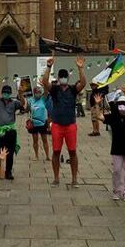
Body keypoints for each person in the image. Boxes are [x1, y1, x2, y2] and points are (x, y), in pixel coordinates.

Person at [42, 55, 87, 187]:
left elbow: (83, 83)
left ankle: (74, 179)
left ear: (67, 78)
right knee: (56, 152)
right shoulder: (55, 90)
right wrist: (49, 67)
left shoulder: (73, 89)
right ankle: (56, 178)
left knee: (72, 151)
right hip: (57, 125)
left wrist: (81, 68)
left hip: (70, 125)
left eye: (64, 76)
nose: (63, 78)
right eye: (61, 76)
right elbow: (45, 82)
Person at [98, 95, 125, 201]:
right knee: (117, 171)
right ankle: (117, 191)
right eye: (120, 104)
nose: (122, 107)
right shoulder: (114, 117)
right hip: (117, 148)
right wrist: (97, 104)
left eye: (124, 104)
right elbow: (100, 116)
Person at [0, 78, 25, 180]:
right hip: (0, 130)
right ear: (2, 93)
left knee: (10, 153)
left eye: (8, 92)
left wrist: (21, 93)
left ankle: (8, 171)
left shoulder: (14, 103)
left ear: (10, 93)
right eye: (4, 92)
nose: (6, 94)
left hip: (10, 131)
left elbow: (22, 103)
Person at [27, 85, 51, 161]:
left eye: (39, 92)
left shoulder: (43, 99)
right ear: (34, 93)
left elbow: (46, 92)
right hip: (34, 123)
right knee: (35, 140)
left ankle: (47, 156)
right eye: (36, 92)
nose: (38, 93)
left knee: (45, 140)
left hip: (43, 122)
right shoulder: (30, 100)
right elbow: (27, 110)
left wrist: (44, 84)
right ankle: (36, 155)